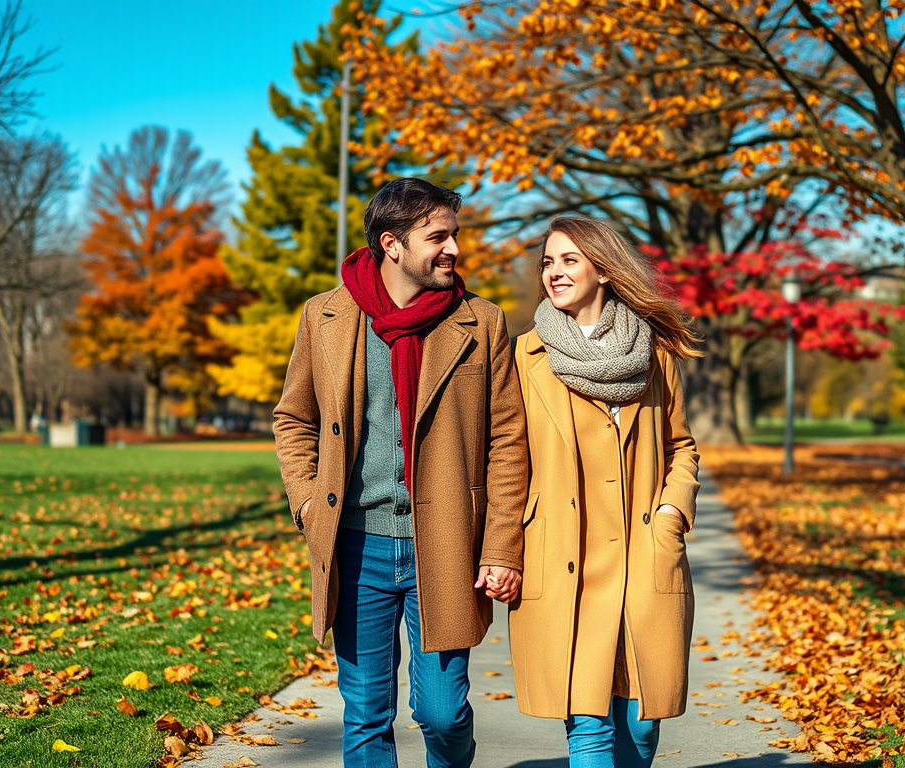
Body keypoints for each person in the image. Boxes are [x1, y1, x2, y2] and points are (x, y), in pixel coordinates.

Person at [273, 178, 527, 768]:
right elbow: (293, 417)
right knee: (365, 714)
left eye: (454, 236)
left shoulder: (480, 322)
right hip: (356, 545)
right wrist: (309, 502)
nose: (454, 250)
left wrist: (501, 547)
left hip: (445, 545)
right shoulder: (325, 316)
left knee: (442, 714)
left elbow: (509, 440)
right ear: (392, 244)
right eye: (438, 237)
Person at [508, 217, 701, 768]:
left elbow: (681, 445)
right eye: (548, 261)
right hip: (569, 558)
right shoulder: (525, 359)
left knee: (641, 727)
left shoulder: (654, 353)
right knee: (588, 723)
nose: (554, 272)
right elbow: (505, 456)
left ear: (604, 269)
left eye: (569, 260)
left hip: (644, 554)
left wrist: (671, 513)